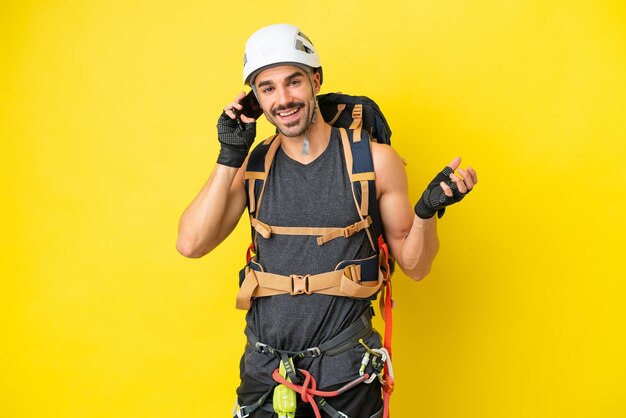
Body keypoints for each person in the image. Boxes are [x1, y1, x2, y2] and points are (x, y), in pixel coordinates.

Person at [177, 23, 477, 418]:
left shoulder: (374, 162)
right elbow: (191, 244)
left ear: (316, 79)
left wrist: (426, 213)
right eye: (267, 88)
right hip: (266, 375)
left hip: (346, 378)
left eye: (293, 82)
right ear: (256, 99)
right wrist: (229, 156)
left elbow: (416, 267)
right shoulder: (254, 166)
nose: (282, 99)